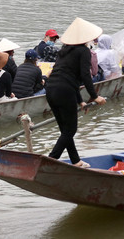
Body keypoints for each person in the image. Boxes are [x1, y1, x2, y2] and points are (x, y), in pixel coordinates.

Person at [46, 17, 107, 166]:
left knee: (65, 131)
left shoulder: (64, 51)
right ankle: (50, 160)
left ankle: (76, 161)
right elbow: (85, 75)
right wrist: (95, 96)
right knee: (70, 130)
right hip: (64, 91)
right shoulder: (84, 51)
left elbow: (70, 78)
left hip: (50, 89)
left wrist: (80, 101)